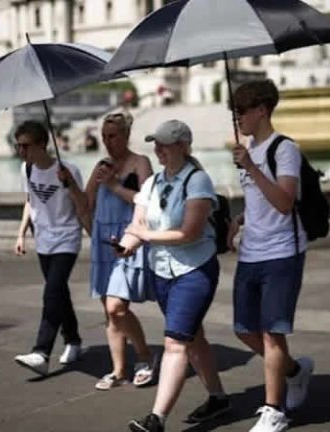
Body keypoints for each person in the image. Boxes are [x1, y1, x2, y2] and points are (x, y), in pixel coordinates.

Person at [122, 120, 230, 432]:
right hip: (161, 272)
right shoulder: (152, 183)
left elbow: (189, 232)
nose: (158, 150)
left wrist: (146, 236)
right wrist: (125, 245)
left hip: (194, 271)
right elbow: (137, 225)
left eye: (165, 144)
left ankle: (156, 419)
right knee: (193, 338)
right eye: (155, 144)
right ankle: (218, 398)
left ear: (183, 146)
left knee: (175, 343)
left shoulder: (198, 181)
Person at [229, 80, 315, 432]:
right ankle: (294, 371)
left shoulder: (284, 149)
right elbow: (260, 201)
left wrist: (251, 166)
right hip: (251, 250)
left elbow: (284, 202)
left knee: (271, 333)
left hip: (282, 252)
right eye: (235, 112)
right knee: (243, 329)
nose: (238, 119)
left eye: (242, 111)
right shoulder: (249, 148)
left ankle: (274, 410)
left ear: (262, 110)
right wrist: (240, 220)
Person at [12, 121, 91, 376]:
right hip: (43, 239)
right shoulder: (26, 169)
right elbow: (29, 201)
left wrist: (69, 183)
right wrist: (21, 234)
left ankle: (41, 352)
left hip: (67, 237)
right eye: (18, 146)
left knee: (52, 292)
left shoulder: (68, 169)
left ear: (42, 144)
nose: (21, 151)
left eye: (25, 146)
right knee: (59, 293)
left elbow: (83, 204)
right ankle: (73, 340)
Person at [85, 112, 157, 391]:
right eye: (104, 136)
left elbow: (149, 202)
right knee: (111, 311)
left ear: (126, 135)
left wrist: (114, 185)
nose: (107, 141)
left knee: (116, 307)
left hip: (128, 239)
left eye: (113, 136)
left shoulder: (140, 163)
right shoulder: (101, 165)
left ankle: (145, 355)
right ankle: (118, 370)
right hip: (104, 241)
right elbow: (86, 203)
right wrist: (67, 184)